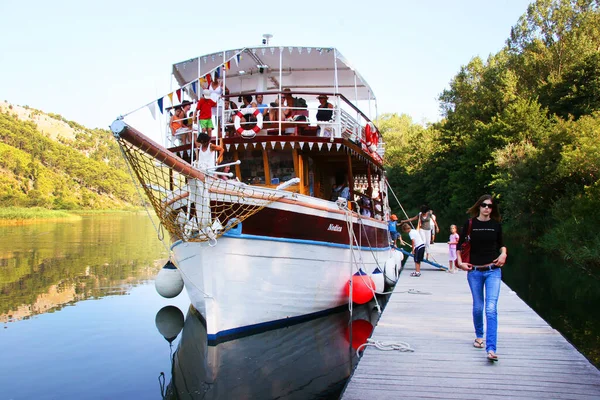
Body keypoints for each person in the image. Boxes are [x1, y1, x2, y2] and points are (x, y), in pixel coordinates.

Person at [456, 194, 507, 362]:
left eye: (490, 206)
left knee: (491, 309)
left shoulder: (496, 225)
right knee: (478, 307)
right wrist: (460, 262)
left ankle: (491, 349)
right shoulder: (470, 224)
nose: (487, 208)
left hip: (493, 270)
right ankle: (479, 335)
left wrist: (504, 254)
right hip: (475, 271)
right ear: (479, 206)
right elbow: (459, 246)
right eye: (484, 205)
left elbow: (501, 244)